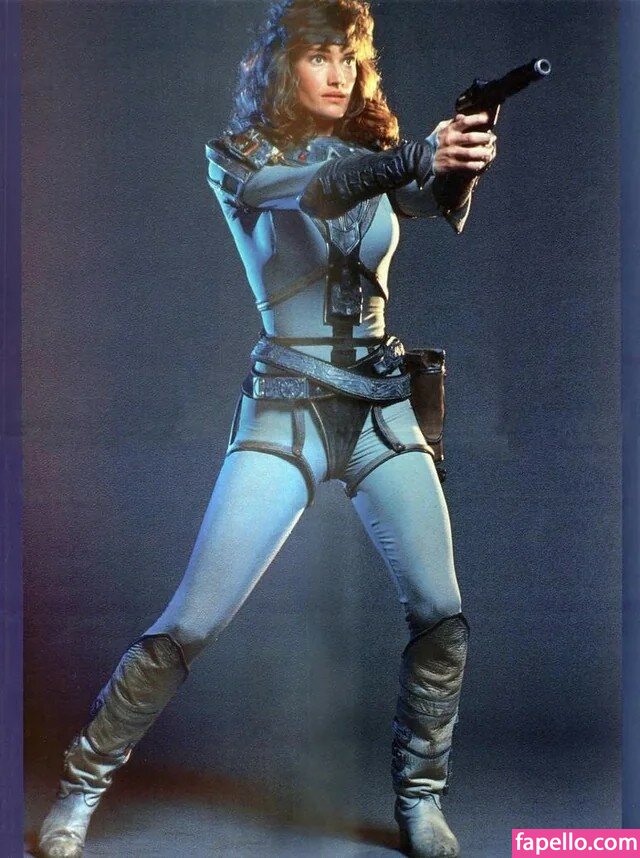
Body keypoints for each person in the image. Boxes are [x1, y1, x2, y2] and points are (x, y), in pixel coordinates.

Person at [37, 1, 497, 856]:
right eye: (319, 55)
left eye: (349, 58)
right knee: (194, 620)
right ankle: (80, 786)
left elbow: (433, 201)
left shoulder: (375, 158)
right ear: (283, 67)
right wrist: (417, 153)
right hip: (288, 406)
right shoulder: (239, 157)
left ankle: (420, 796)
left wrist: (461, 159)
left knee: (442, 612)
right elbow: (312, 192)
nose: (338, 73)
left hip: (380, 405)